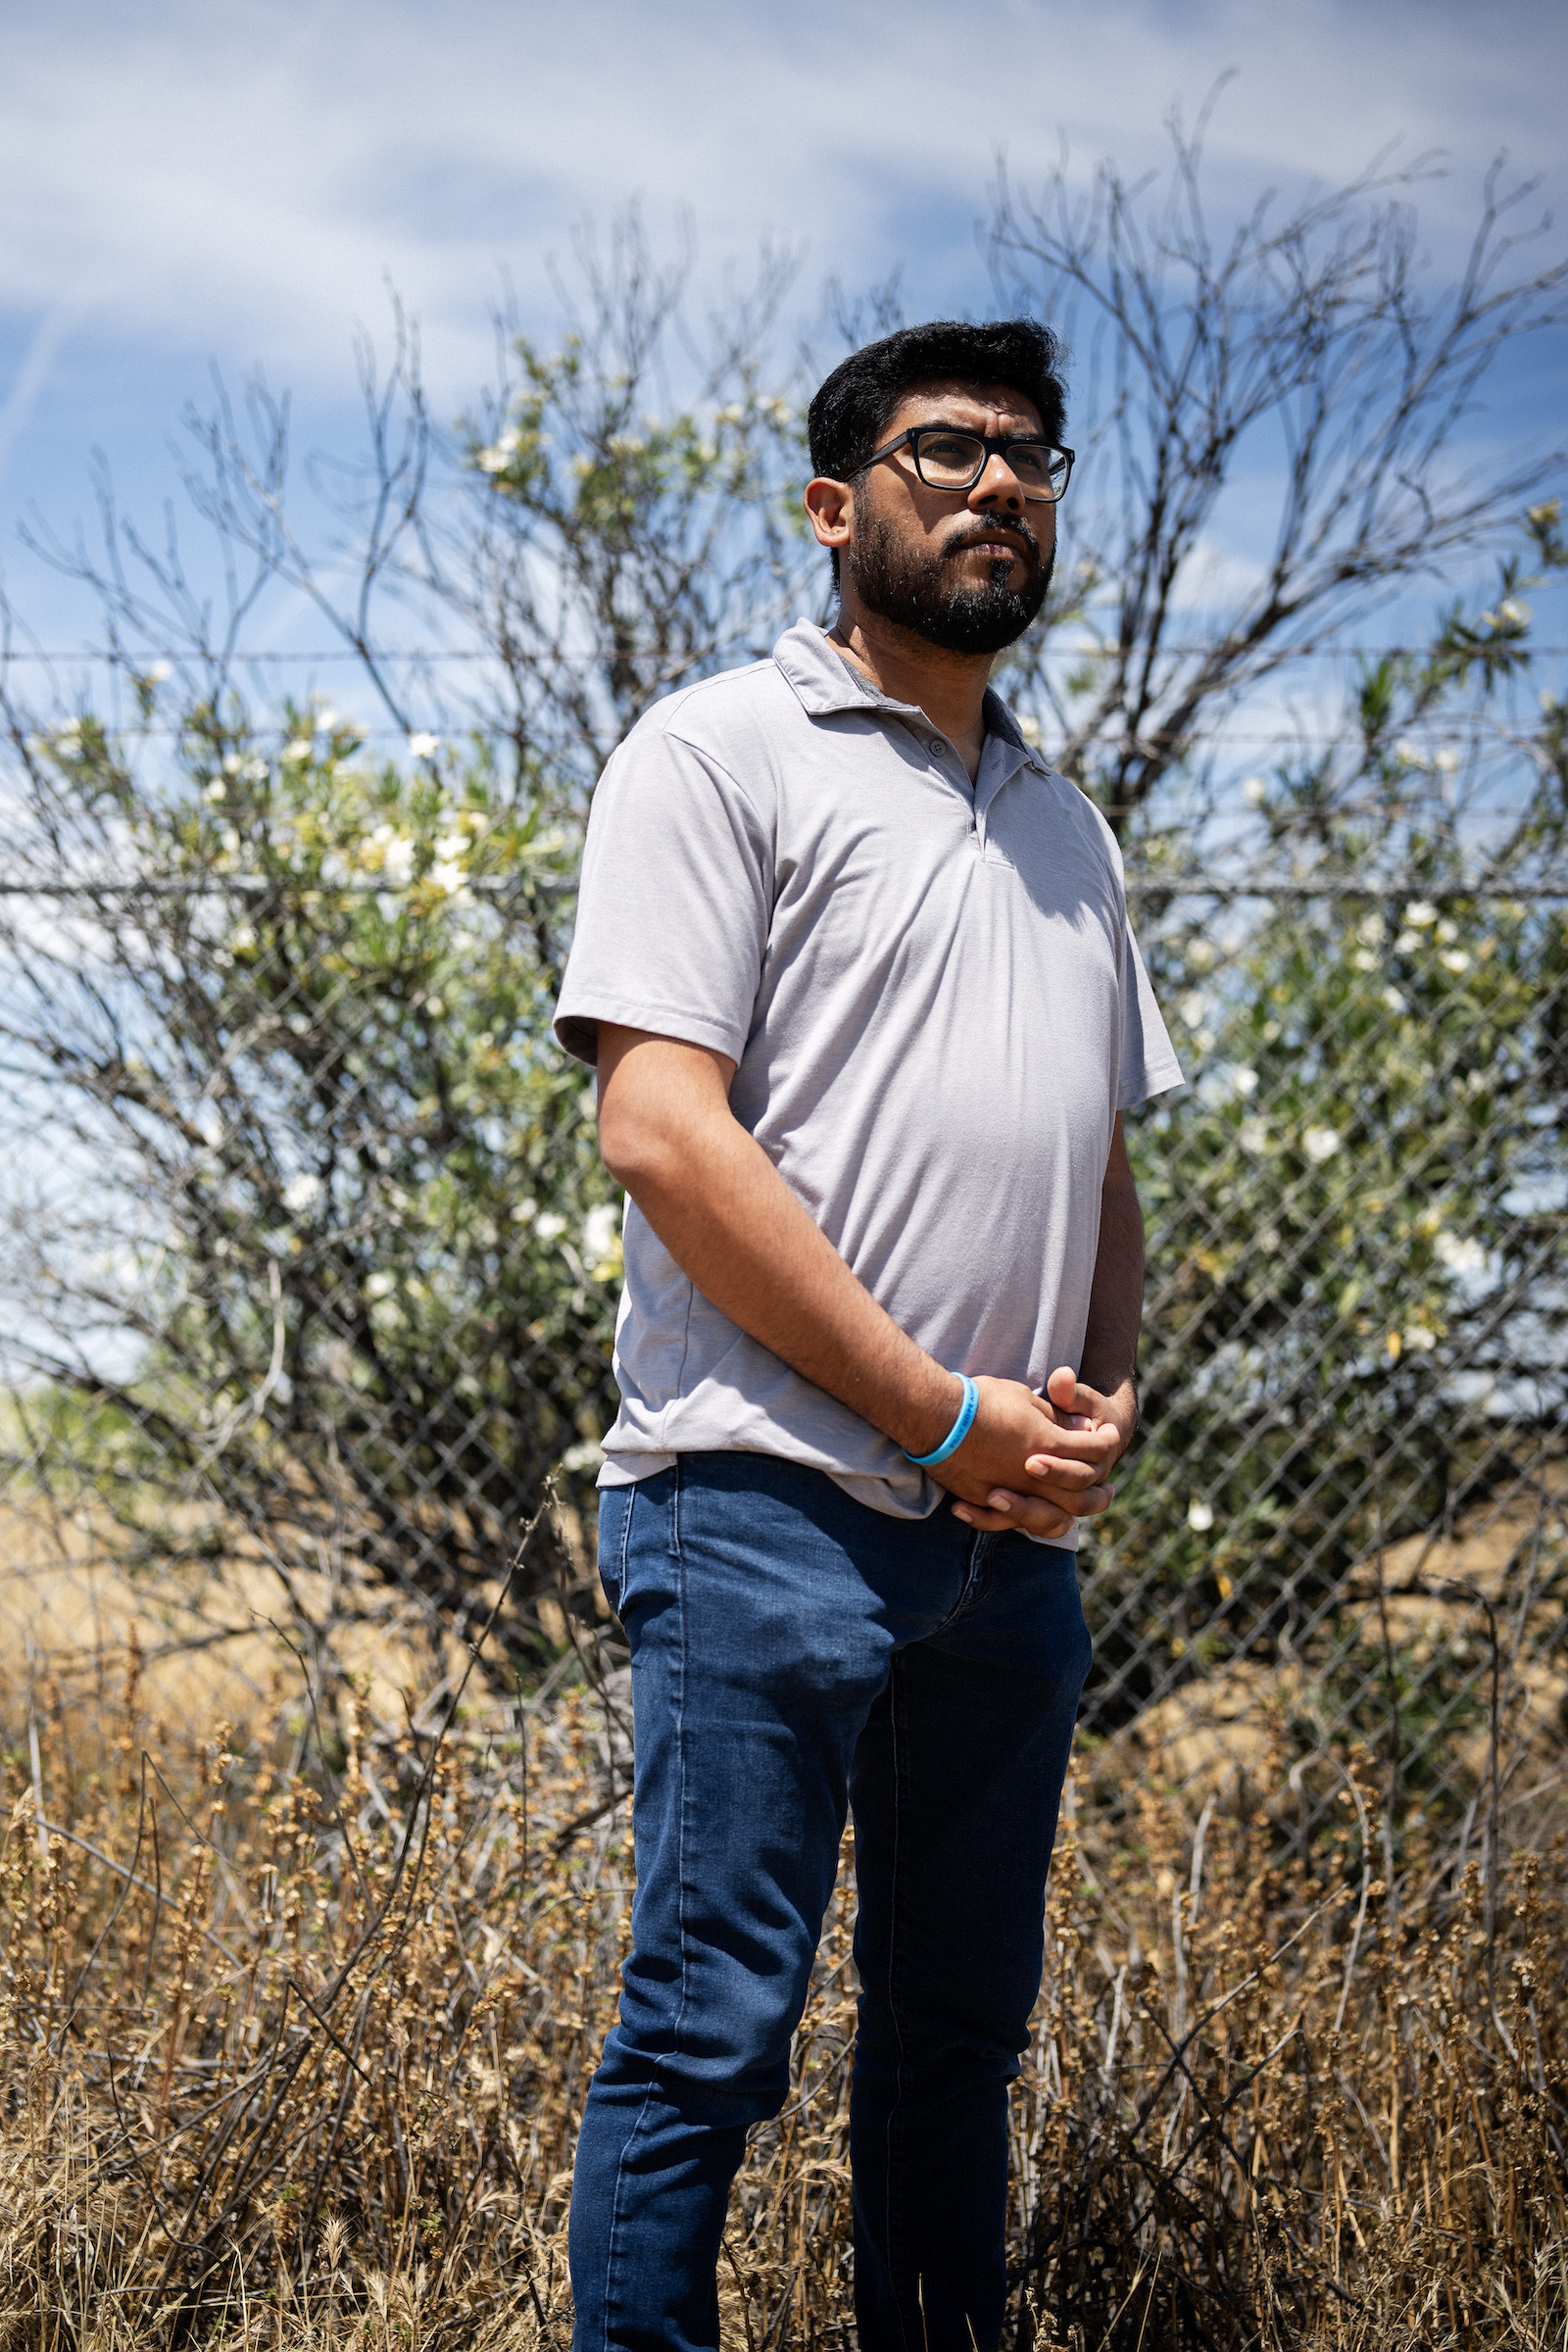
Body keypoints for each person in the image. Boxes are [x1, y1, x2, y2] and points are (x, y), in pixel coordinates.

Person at [554, 317, 1183, 2351]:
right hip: (764, 1514)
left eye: (1031, 457)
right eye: (944, 450)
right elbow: (658, 1126)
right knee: (703, 2047)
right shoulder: (713, 750)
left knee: (948, 2063)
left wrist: (1085, 1412)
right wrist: (933, 1416)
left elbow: (1093, 1162)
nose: (998, 484)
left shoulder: (1067, 828)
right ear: (835, 512)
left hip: (1009, 1555)